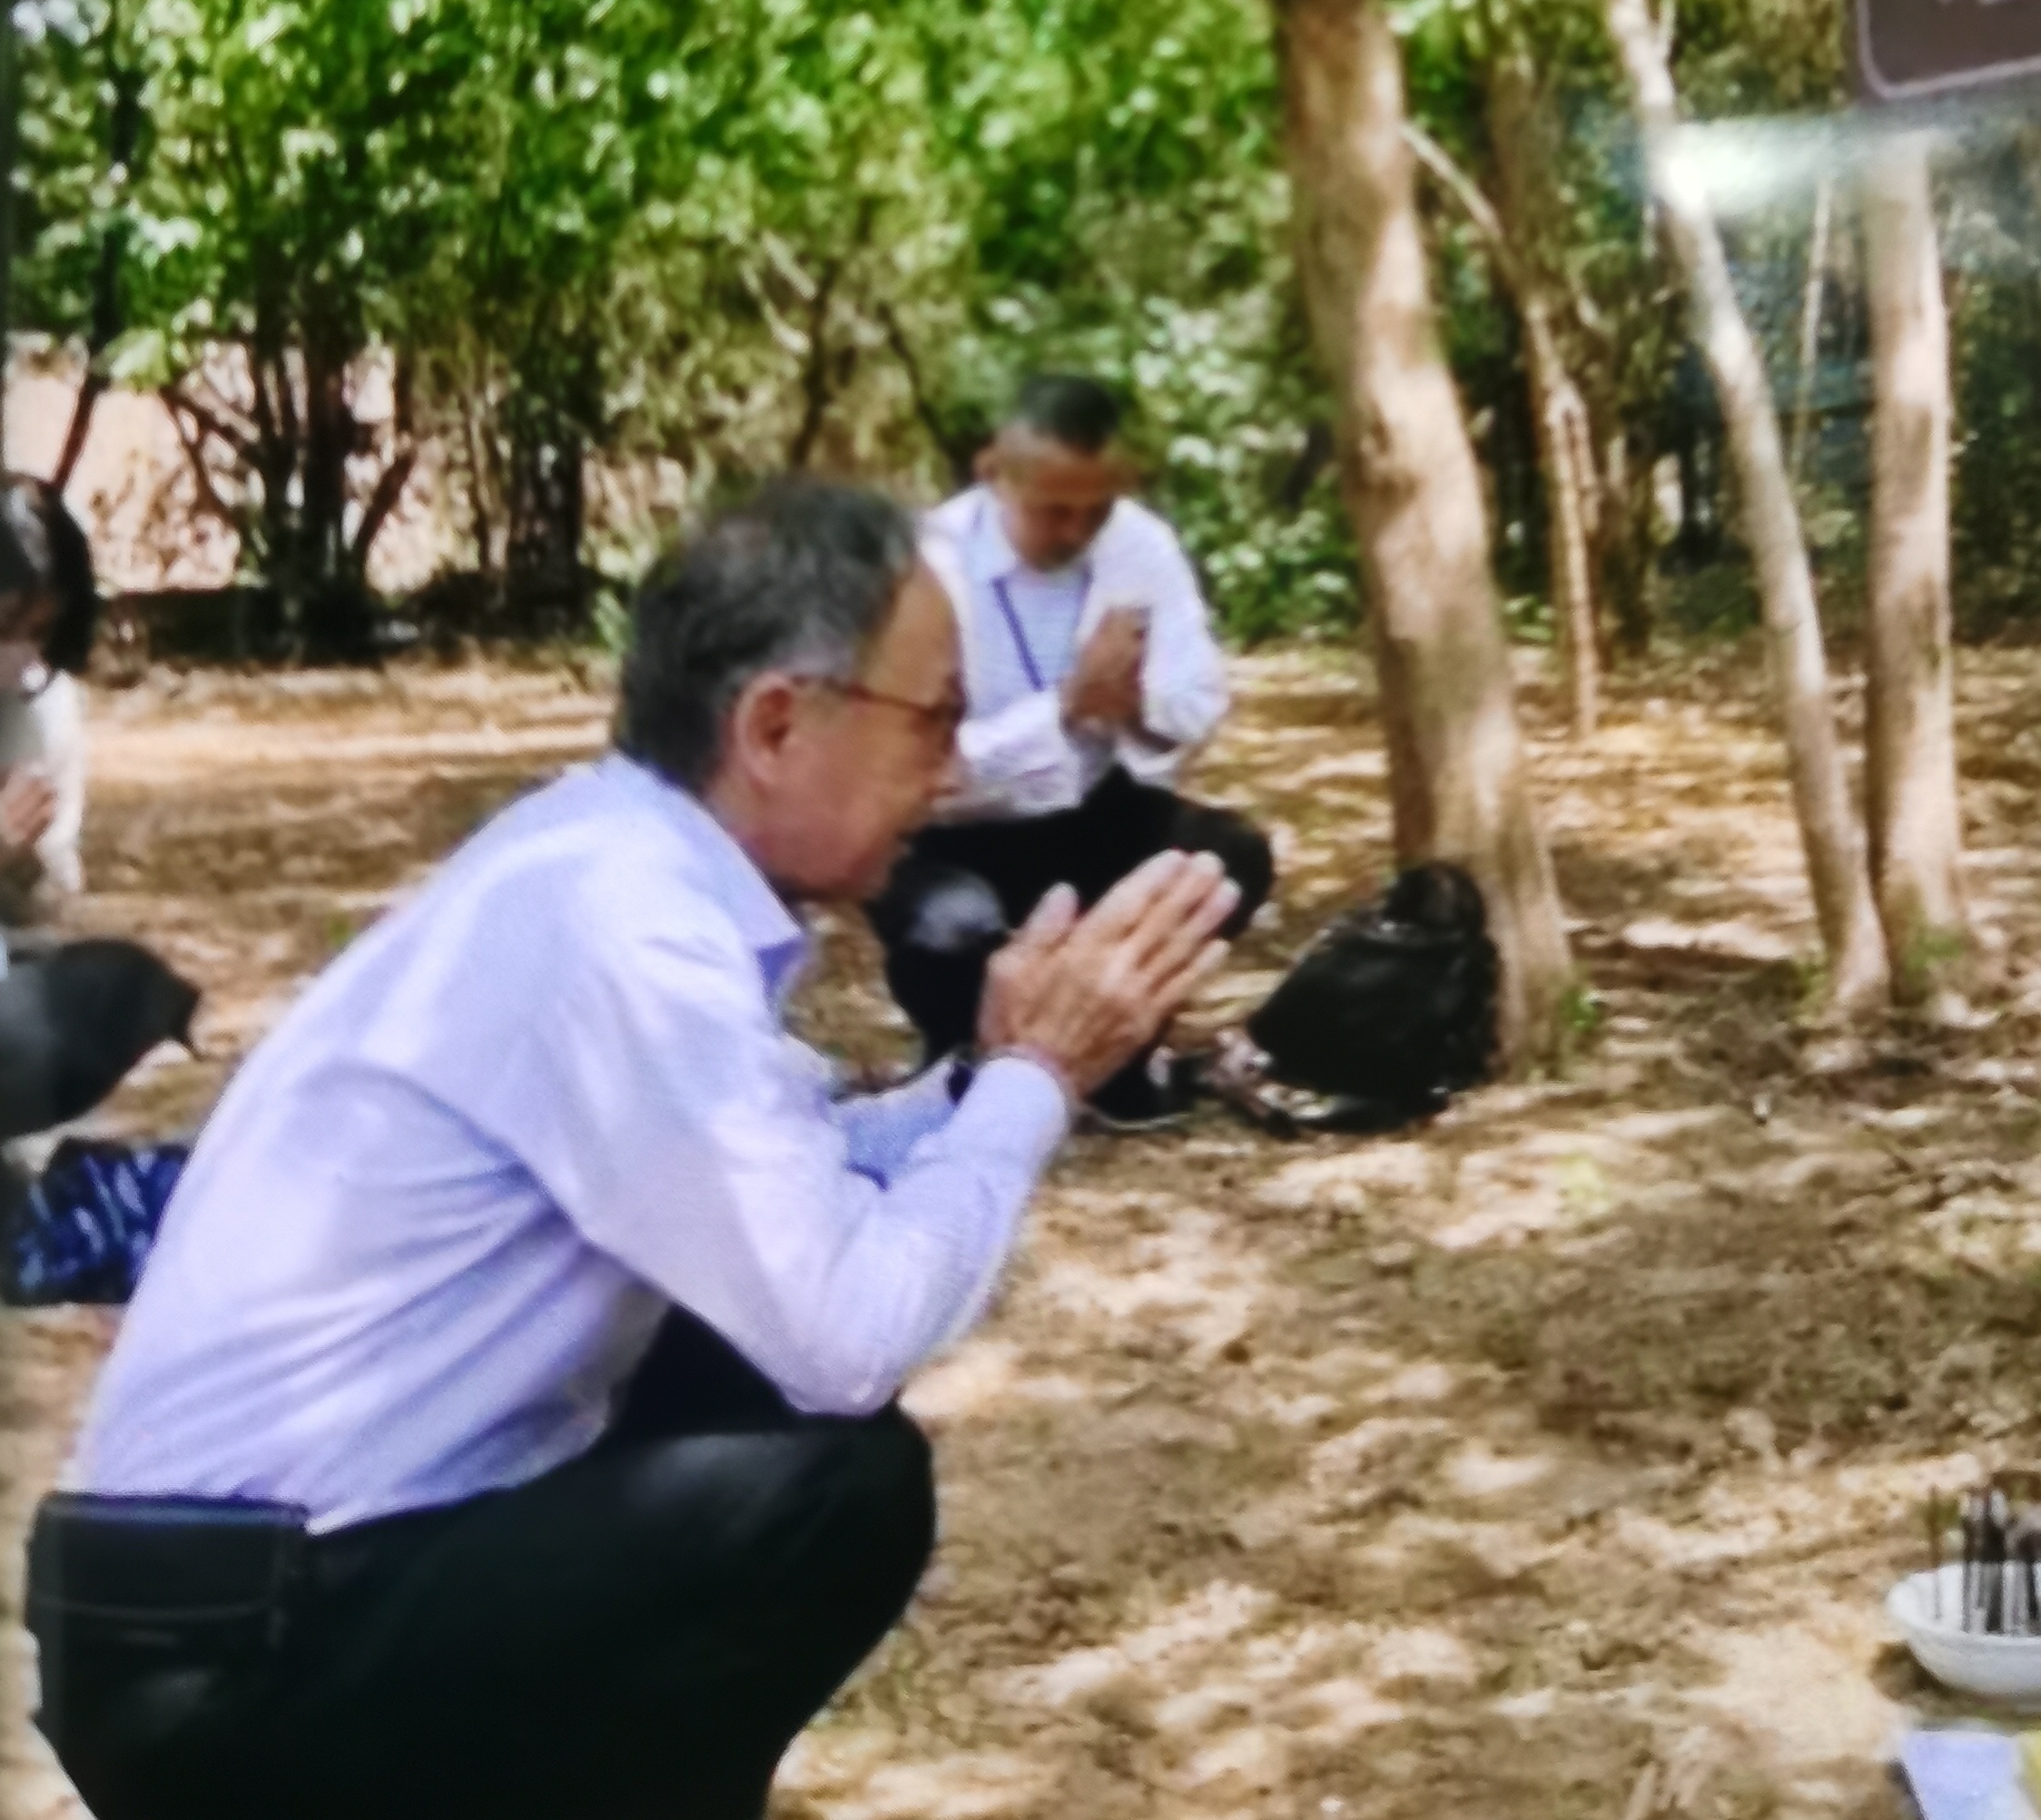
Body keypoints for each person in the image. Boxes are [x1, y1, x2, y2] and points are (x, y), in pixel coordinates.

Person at [28, 477, 1239, 1820]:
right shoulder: (623, 923)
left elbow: (780, 1183)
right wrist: (1035, 1078)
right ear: (774, 723)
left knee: (745, 1371)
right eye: (933, 717)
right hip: (221, 1654)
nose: (953, 769)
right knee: (831, 1487)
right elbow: (847, 1331)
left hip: (230, 1601)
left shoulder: (601, 859)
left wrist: (987, 1072)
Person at [872, 373, 1274, 1124]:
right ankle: (964, 1057)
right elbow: (923, 765)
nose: (1075, 531)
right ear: (995, 472)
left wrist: (1132, 703)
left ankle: (1118, 1063)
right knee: (946, 928)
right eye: (1053, 510)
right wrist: (1064, 707)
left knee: (1226, 859)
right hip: (957, 828)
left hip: (1094, 807)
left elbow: (1196, 707)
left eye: (1096, 509)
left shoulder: (1140, 544)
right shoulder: (930, 562)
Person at [0, 476, 98, 955]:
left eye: (40, 633)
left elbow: (53, 903)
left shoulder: (45, 706)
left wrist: (22, 864)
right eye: (5, 627)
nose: (22, 656)